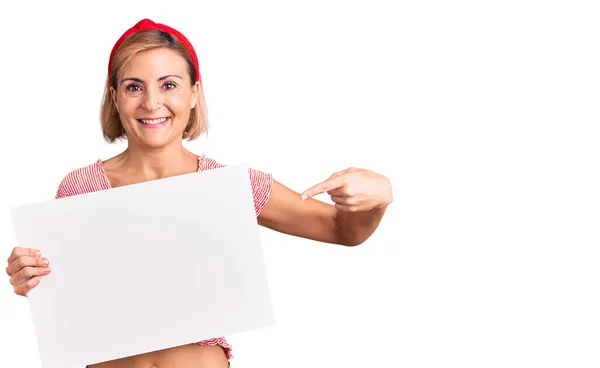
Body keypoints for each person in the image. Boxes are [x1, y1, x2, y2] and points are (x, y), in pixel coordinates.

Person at [5, 19, 393, 368]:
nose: (151, 103)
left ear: (193, 93)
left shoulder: (228, 187)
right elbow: (70, 304)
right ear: (116, 97)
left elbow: (342, 230)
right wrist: (33, 283)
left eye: (168, 85)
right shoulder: (80, 188)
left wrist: (380, 196)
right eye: (133, 87)